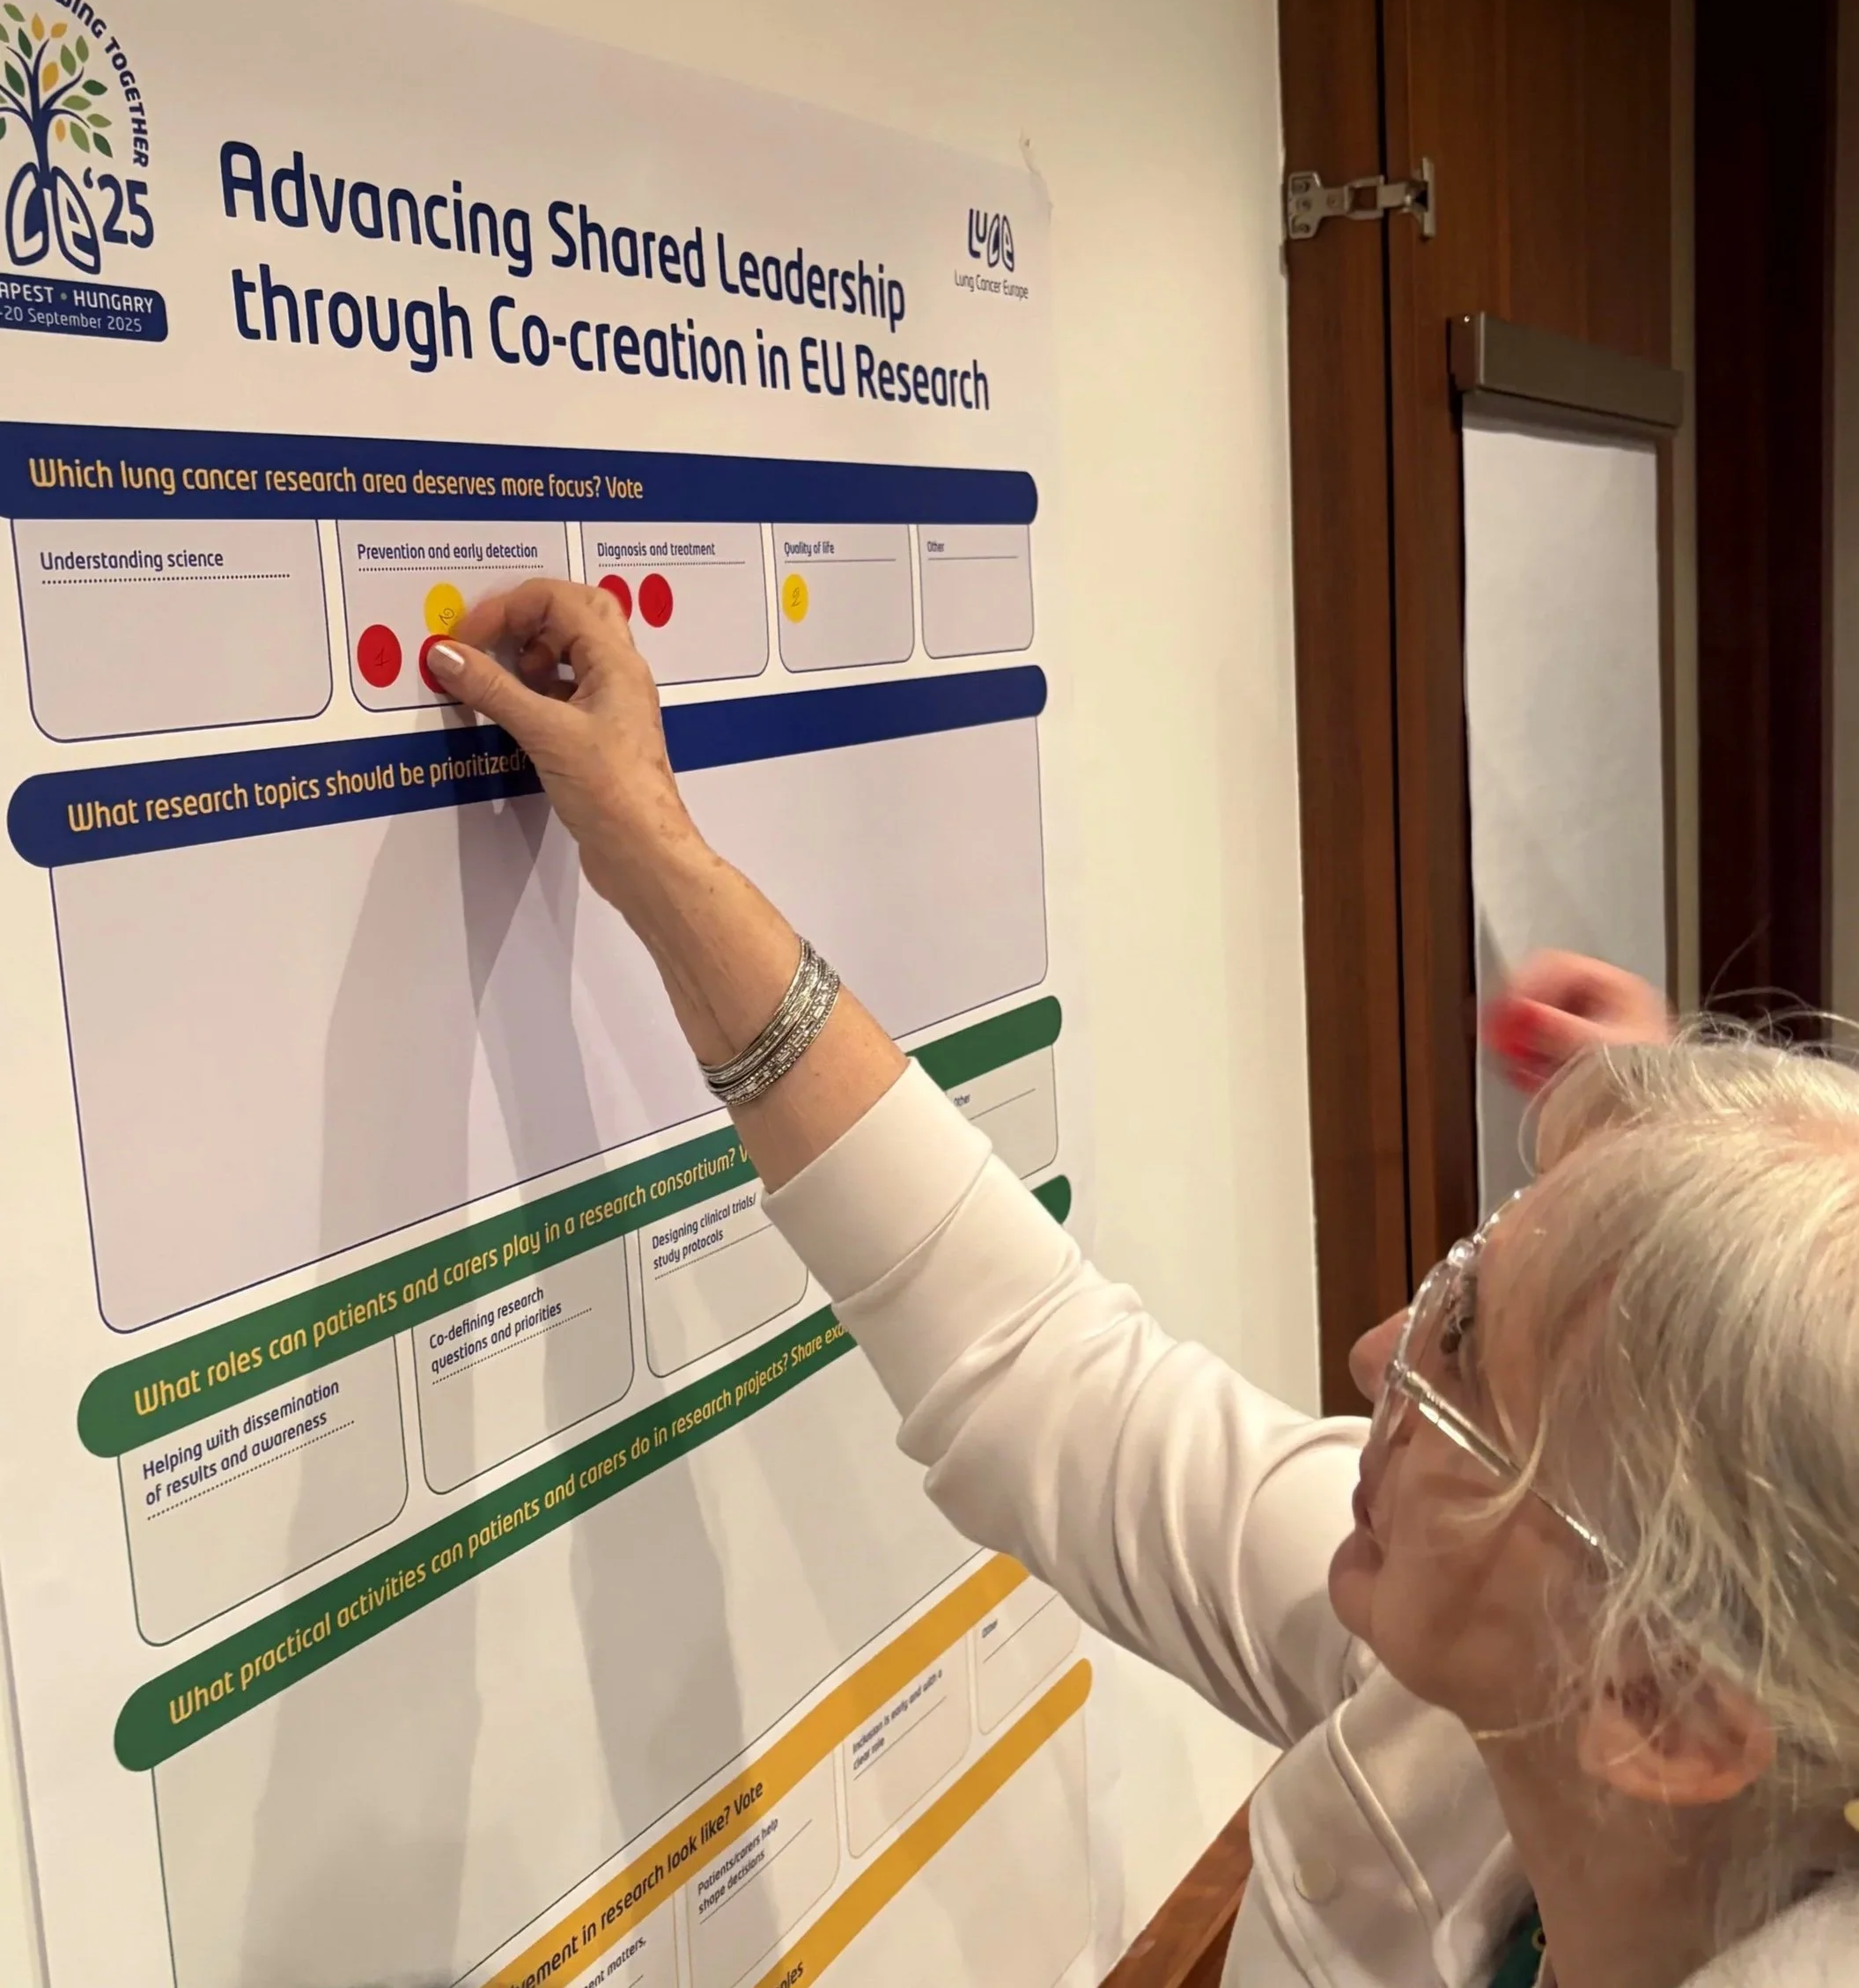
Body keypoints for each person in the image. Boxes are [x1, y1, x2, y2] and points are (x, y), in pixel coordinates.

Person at [426, 581, 1858, 1988]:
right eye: (1454, 1279)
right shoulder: (1504, 1692)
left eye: (1466, 1359)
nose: (1373, 1356)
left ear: (1662, 1705)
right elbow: (1036, 1366)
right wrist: (661, 863)